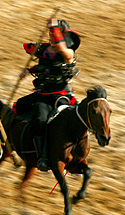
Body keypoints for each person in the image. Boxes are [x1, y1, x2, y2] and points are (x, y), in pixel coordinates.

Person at [15, 18, 81, 171]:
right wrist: (29, 71)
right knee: (39, 119)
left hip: (62, 95)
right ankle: (42, 157)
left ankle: (77, 156)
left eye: (55, 34)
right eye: (51, 34)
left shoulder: (69, 53)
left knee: (77, 119)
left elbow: (63, 51)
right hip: (43, 95)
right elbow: (43, 66)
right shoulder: (44, 50)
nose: (51, 36)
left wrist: (54, 28)